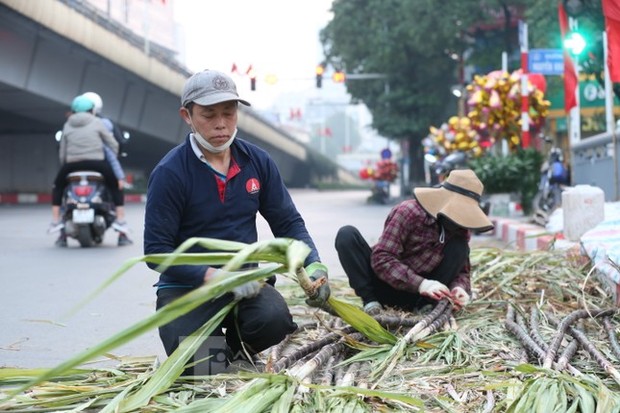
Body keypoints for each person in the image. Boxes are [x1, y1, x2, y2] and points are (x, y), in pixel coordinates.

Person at [144, 69, 331, 375]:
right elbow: (156, 251)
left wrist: (314, 265)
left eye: (229, 113)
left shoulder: (257, 162)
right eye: (209, 114)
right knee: (206, 372)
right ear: (187, 116)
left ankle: (236, 347)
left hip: (246, 285)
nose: (221, 123)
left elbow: (289, 223)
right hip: (187, 289)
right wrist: (215, 277)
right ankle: (213, 356)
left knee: (275, 321)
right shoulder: (171, 172)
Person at [335, 169, 494, 315]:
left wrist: (459, 288)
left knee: (459, 248)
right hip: (383, 286)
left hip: (420, 297)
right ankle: (370, 302)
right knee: (347, 235)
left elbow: (462, 271)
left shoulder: (460, 230)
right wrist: (422, 284)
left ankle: (425, 306)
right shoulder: (409, 212)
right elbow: (382, 258)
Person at [49, 95, 131, 246]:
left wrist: (65, 166)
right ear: (92, 110)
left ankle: (56, 221)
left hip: (72, 165)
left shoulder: (67, 125)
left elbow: (62, 151)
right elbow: (112, 142)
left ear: (73, 111)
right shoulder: (97, 122)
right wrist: (114, 153)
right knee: (116, 186)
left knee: (58, 186)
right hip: (97, 164)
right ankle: (120, 220)